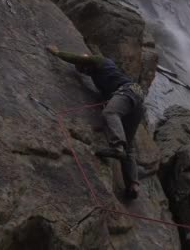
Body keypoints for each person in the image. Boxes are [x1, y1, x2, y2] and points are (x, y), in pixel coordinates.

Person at [47, 45, 144, 199]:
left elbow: (76, 58)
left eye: (82, 66)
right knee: (130, 146)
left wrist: (57, 53)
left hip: (128, 92)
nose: (82, 69)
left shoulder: (99, 60)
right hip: (136, 103)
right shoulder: (102, 75)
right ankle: (133, 184)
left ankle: (117, 146)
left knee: (110, 112)